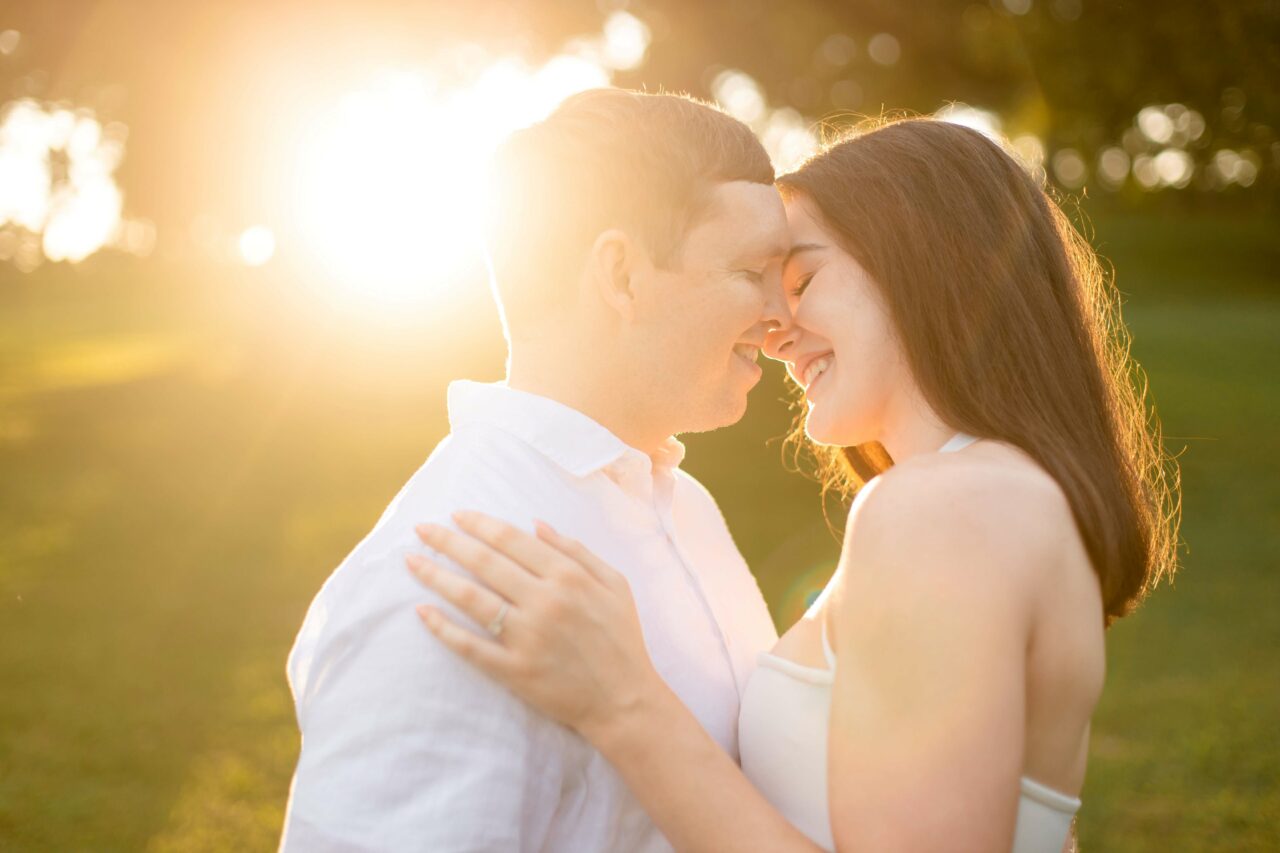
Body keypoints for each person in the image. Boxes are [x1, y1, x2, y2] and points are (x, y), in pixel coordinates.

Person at [407, 117, 1181, 852]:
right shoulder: (999, 497)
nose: (772, 325)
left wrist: (624, 704)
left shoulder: (944, 509)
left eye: (803, 277)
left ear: (926, 262)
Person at [280, 89, 793, 851]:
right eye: (754, 271)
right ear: (621, 275)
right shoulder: (455, 572)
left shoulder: (684, 504)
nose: (784, 312)